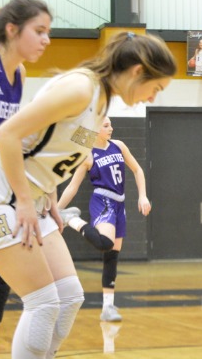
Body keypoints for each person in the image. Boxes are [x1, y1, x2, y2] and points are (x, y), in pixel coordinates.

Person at [0, 31, 176, 358]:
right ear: (138, 71)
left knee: (69, 297)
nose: (153, 98)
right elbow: (8, 134)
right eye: (157, 88)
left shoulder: (100, 101)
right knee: (42, 302)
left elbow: (46, 148)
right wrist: (25, 200)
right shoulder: (81, 88)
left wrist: (50, 196)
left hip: (31, 195)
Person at [0, 0, 52, 359]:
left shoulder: (18, 73)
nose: (46, 40)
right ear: (12, 29)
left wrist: (40, 188)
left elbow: (10, 140)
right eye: (39, 31)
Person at [57, 116, 151, 322]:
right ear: (95, 128)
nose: (111, 128)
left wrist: (143, 195)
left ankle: (108, 308)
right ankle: (72, 220)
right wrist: (57, 210)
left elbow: (138, 169)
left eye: (110, 125)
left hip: (119, 203)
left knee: (112, 257)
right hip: (102, 200)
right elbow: (72, 187)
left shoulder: (119, 146)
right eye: (106, 125)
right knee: (105, 243)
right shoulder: (88, 155)